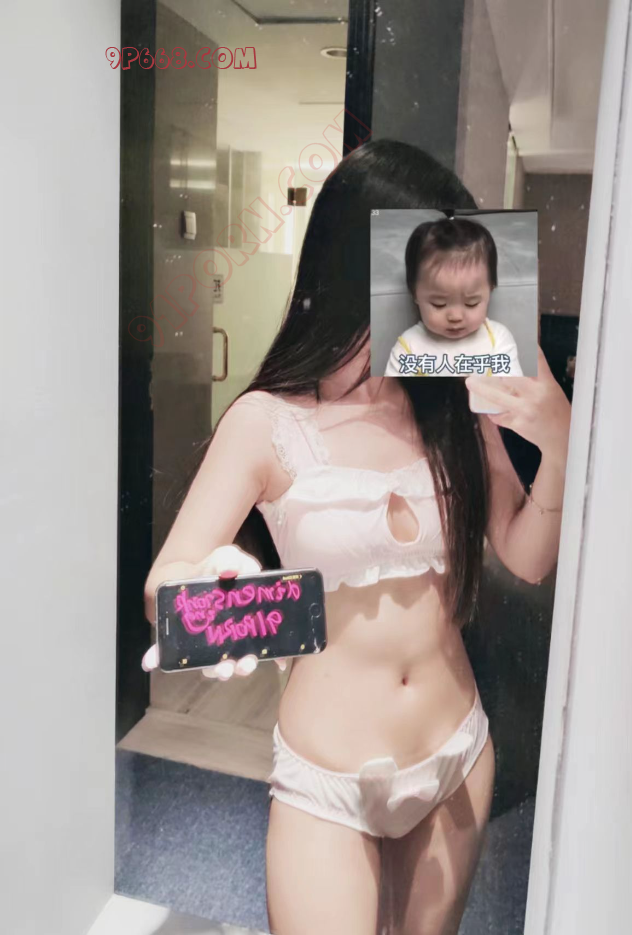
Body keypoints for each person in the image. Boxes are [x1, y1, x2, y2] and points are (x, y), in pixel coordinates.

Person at [141, 138, 572, 935]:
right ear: (363, 266)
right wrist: (212, 591)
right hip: (327, 780)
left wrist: (559, 441)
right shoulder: (267, 422)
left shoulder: (454, 400)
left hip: (456, 753)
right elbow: (164, 586)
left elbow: (528, 555)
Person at [384, 216, 524, 378]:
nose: (456, 317)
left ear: (490, 290)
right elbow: (392, 392)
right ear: (414, 293)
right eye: (439, 304)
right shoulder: (408, 348)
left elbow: (513, 389)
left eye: (471, 303)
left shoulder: (497, 339)